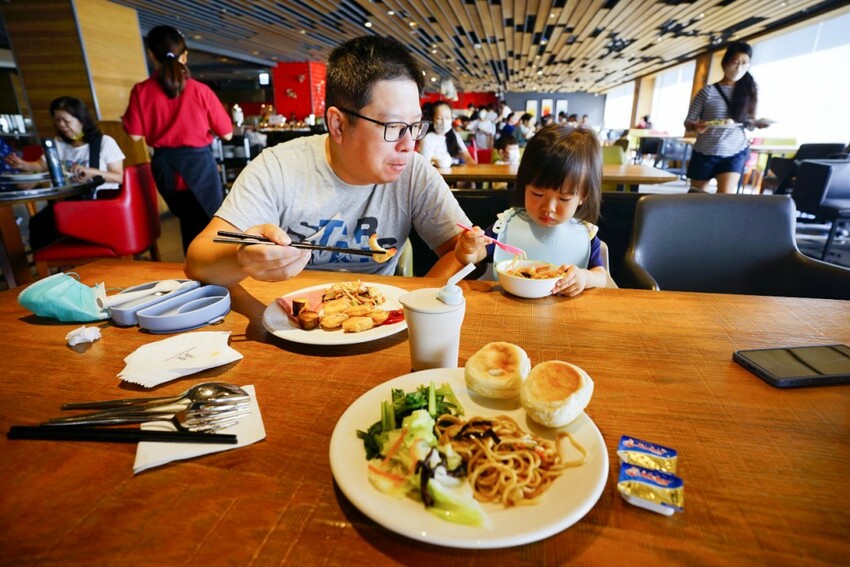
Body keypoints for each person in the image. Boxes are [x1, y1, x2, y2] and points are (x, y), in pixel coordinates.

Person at [183, 35, 472, 288]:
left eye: (415, 126)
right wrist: (241, 259)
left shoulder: (413, 172)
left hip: (374, 318)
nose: (409, 144)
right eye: (394, 127)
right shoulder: (279, 167)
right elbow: (197, 261)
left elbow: (461, 249)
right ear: (338, 124)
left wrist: (416, 301)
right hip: (286, 318)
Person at [454, 125, 608, 297]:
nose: (548, 208)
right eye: (537, 193)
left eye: (564, 198)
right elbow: (474, 256)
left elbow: (601, 276)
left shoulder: (584, 235)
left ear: (583, 196)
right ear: (524, 185)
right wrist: (467, 248)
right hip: (505, 311)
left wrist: (584, 277)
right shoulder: (507, 225)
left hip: (564, 315)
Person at [122, 25, 233, 253]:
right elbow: (228, 133)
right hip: (199, 165)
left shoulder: (141, 91)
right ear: (184, 55)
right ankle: (211, 278)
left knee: (189, 225)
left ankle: (198, 275)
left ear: (151, 54)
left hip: (166, 169)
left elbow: (134, 135)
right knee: (211, 226)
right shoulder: (199, 90)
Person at [6, 96, 125, 250]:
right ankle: (48, 266)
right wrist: (23, 164)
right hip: (69, 203)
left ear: (81, 119)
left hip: (99, 203)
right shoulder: (59, 144)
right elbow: (41, 165)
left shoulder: (103, 142)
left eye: (65, 120)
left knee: (49, 221)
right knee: (38, 222)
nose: (61, 125)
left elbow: (119, 177)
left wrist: (91, 172)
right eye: (57, 121)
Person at [684, 41, 769, 194]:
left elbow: (749, 124)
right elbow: (689, 121)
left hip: (734, 151)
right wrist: (695, 127)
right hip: (705, 151)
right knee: (696, 196)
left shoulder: (750, 91)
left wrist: (756, 124)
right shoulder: (708, 91)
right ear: (725, 63)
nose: (739, 67)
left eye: (744, 63)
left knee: (724, 198)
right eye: (735, 62)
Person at [417, 100, 476, 167]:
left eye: (447, 118)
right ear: (432, 119)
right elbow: (424, 167)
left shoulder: (454, 135)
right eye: (439, 118)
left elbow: (468, 158)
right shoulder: (428, 139)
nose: (444, 122)